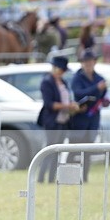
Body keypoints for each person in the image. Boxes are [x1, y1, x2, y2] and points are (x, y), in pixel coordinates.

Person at [69, 49, 110, 182]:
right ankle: (68, 176)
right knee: (74, 149)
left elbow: (103, 95)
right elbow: (78, 93)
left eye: (90, 61)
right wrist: (96, 88)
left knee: (88, 150)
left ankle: (84, 177)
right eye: (85, 61)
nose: (88, 64)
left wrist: (104, 100)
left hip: (93, 119)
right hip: (79, 119)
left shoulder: (99, 78)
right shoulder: (77, 78)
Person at [36, 56, 78, 184]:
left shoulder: (64, 82)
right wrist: (67, 106)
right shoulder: (47, 82)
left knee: (58, 151)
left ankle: (51, 178)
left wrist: (72, 106)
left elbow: (67, 98)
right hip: (52, 121)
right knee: (49, 150)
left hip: (64, 120)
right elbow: (49, 104)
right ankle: (41, 177)